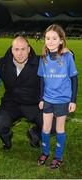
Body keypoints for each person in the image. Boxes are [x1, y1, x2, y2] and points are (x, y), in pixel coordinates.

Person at [37, 24, 78, 169]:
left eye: (54, 38)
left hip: (63, 100)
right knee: (46, 127)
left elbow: (74, 78)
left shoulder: (67, 57)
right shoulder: (43, 58)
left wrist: (73, 100)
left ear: (61, 40)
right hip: (48, 99)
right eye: (48, 38)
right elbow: (41, 80)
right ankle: (45, 152)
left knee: (60, 128)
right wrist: (41, 98)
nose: (50, 41)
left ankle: (58, 157)